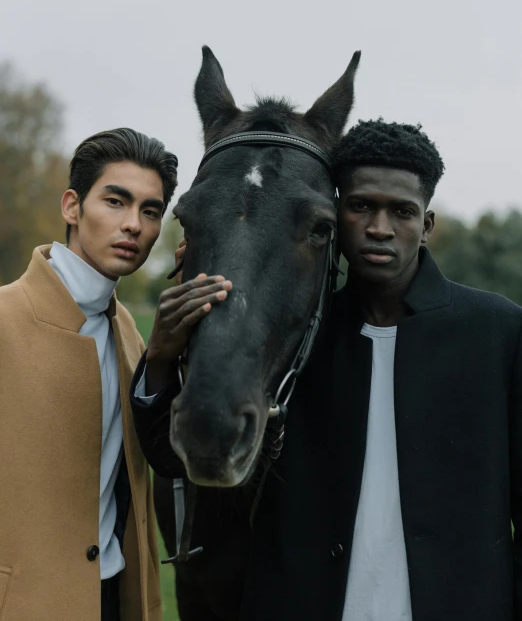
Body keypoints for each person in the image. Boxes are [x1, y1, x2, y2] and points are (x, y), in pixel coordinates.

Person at [130, 119, 522, 621]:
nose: (379, 228)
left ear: (425, 225)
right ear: (337, 215)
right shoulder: (297, 342)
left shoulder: (499, 333)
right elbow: (177, 458)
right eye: (360, 207)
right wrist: (162, 356)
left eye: (401, 211)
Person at [0, 128, 178, 621]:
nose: (134, 225)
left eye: (150, 210)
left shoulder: (131, 333)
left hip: (116, 598)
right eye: (116, 201)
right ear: (72, 206)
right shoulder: (4, 320)